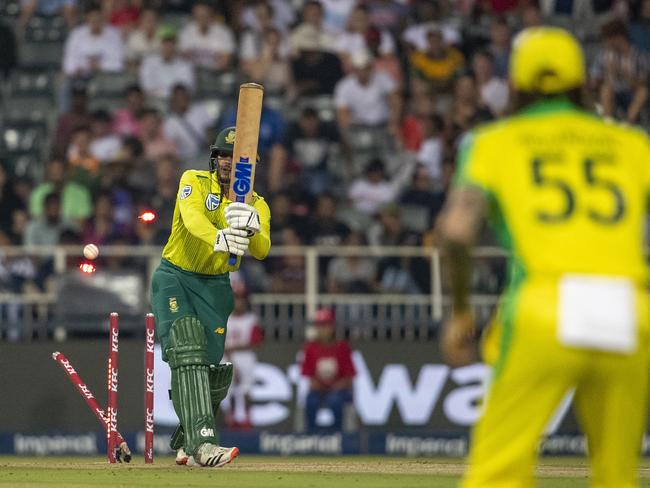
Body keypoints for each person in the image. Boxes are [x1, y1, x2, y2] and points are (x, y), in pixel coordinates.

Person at [440, 27, 650, 487]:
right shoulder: (633, 145)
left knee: (498, 473)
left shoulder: (492, 142)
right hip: (629, 310)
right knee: (618, 476)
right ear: (584, 83)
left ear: (514, 84)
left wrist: (459, 312)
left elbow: (455, 233)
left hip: (545, 305)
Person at [150, 126, 271, 467]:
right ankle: (203, 445)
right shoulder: (194, 180)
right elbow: (191, 220)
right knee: (186, 345)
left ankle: (184, 443)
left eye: (237, 158)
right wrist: (219, 236)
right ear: (214, 158)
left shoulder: (256, 203)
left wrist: (253, 226)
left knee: (211, 368)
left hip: (216, 286)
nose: (230, 163)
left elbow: (262, 250)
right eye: (224, 156)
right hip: (175, 275)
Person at [301, 308, 355, 432]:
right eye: (320, 326)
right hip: (319, 389)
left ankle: (338, 435)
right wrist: (322, 387)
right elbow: (309, 376)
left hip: (340, 390)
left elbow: (349, 376)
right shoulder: (310, 348)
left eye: (326, 325)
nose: (323, 330)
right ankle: (311, 434)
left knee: (335, 401)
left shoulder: (342, 347)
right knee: (311, 401)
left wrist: (334, 387)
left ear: (332, 327)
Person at [222, 283, 264, 429]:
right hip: (227, 355)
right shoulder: (224, 318)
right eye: (235, 298)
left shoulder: (251, 319)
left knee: (246, 389)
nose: (238, 302)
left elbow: (256, 341)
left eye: (241, 298)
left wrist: (232, 348)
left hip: (245, 356)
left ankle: (247, 417)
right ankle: (231, 418)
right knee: (229, 389)